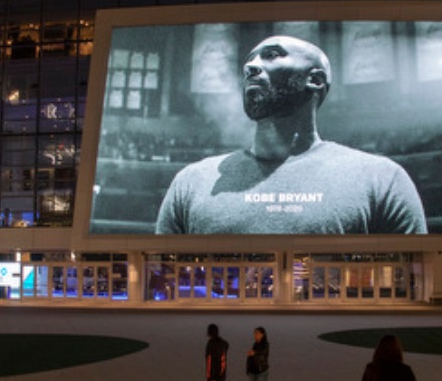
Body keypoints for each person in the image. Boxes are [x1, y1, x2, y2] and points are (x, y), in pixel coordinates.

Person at [155, 35, 427, 234]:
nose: (250, 66)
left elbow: (410, 291)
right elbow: (161, 290)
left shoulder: (381, 180)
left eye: (271, 55)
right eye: (249, 60)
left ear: (315, 80)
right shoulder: (190, 183)